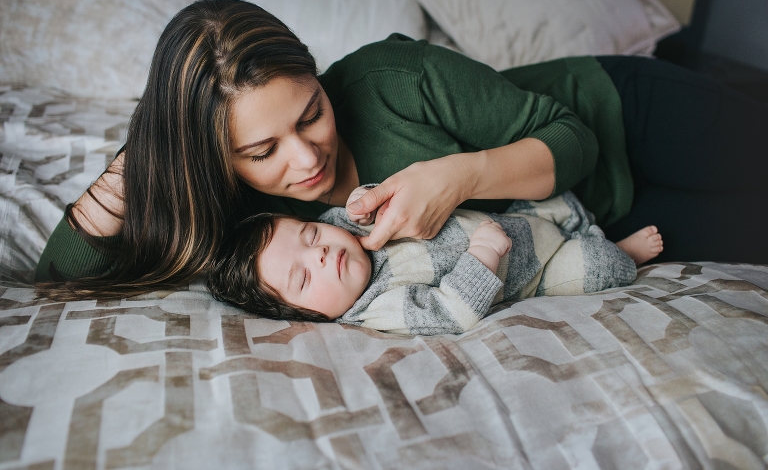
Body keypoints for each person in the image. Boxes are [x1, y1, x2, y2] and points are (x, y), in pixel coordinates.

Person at [35, 0, 767, 301]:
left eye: (311, 112)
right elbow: (59, 279)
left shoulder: (391, 78)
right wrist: (142, 159)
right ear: (219, 161)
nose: (306, 158)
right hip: (605, 220)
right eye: (262, 149)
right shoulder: (245, 220)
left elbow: (571, 136)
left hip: (617, 114)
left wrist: (458, 175)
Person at [206, 186, 663, 335]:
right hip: (534, 269)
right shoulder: (378, 308)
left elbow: (358, 205)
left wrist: (366, 199)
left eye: (309, 235)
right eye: (304, 276)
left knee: (554, 200)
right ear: (305, 315)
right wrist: (483, 255)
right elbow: (450, 311)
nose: (321, 252)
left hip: (509, 219)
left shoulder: (346, 228)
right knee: (597, 267)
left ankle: (577, 220)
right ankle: (622, 250)